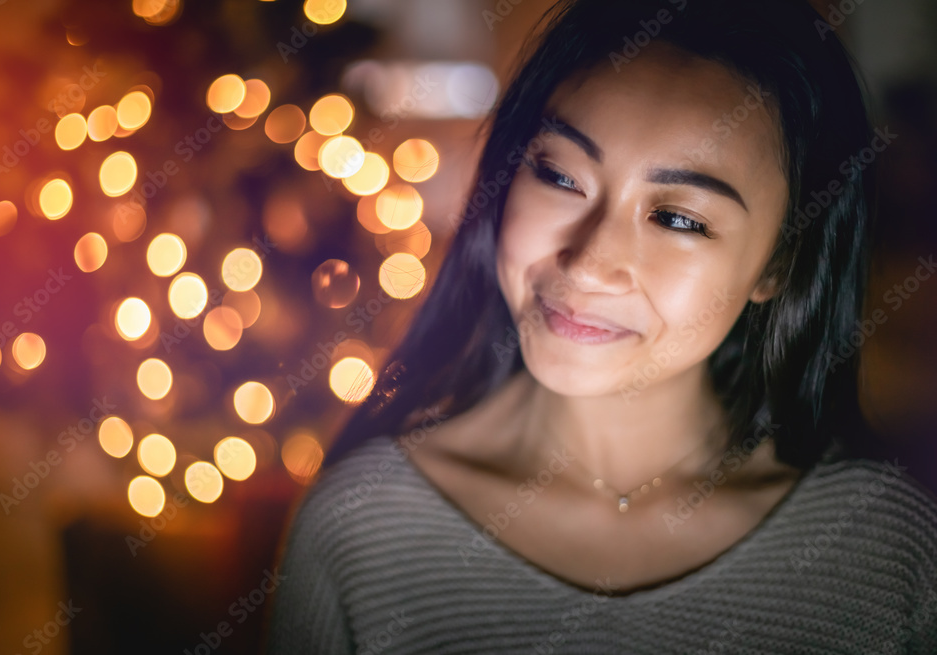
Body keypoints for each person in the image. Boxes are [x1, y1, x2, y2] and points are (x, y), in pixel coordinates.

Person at [264, 0, 937, 652]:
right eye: (559, 175)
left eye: (678, 219)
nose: (588, 264)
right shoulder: (360, 530)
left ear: (780, 263)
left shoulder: (887, 548)